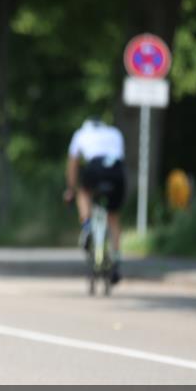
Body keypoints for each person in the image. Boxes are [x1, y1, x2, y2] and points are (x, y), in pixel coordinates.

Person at [63, 117, 127, 284]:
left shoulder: (81, 134)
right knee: (113, 216)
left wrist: (71, 189)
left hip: (95, 167)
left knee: (83, 193)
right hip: (116, 169)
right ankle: (116, 261)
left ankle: (87, 227)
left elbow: (73, 164)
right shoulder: (115, 133)